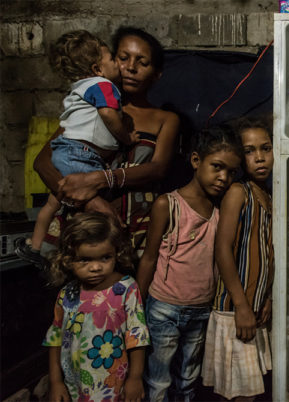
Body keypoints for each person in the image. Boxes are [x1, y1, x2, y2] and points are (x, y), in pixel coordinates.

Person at [32, 26, 180, 257]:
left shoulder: (166, 119)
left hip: (136, 223)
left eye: (142, 62)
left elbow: (158, 169)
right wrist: (89, 201)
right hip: (82, 223)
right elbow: (43, 162)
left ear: (156, 74)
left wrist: (101, 179)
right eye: (122, 58)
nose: (130, 67)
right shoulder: (90, 108)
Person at [14, 30, 139, 269]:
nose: (121, 65)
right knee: (104, 215)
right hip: (80, 155)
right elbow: (108, 115)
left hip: (67, 152)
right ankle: (124, 255)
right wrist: (127, 137)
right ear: (97, 69)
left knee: (52, 204)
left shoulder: (80, 89)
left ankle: (34, 248)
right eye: (114, 59)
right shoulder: (103, 86)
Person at [136, 126, 243, 402]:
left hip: (200, 312)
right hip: (163, 308)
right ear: (196, 161)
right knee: (158, 381)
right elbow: (148, 258)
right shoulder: (168, 205)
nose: (223, 178)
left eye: (231, 172)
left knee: (187, 381)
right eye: (217, 167)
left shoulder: (221, 213)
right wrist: (135, 307)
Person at [201, 116, 275, 401]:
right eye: (249, 150)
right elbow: (222, 250)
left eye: (265, 148)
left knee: (250, 394)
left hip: (254, 309)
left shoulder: (267, 195)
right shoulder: (237, 192)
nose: (259, 158)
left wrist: (266, 298)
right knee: (240, 395)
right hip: (234, 310)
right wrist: (243, 306)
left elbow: (267, 254)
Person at [42, 212, 150, 402]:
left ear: (117, 253)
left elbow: (137, 335)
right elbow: (55, 339)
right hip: (74, 385)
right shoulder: (67, 294)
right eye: (85, 260)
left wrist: (135, 378)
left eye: (105, 258)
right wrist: (56, 382)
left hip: (113, 385)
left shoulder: (126, 289)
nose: (95, 267)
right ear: (68, 259)